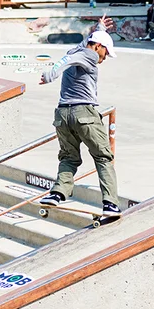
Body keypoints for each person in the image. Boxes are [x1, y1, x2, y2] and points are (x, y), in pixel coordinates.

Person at [38, 15, 122, 218]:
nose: (103, 59)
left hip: (62, 115)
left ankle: (57, 193)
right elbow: (69, 60)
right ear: (98, 47)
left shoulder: (79, 48)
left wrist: (100, 27)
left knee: (69, 157)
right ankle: (110, 204)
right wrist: (51, 74)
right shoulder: (89, 55)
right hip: (84, 113)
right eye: (105, 54)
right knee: (103, 157)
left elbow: (84, 45)